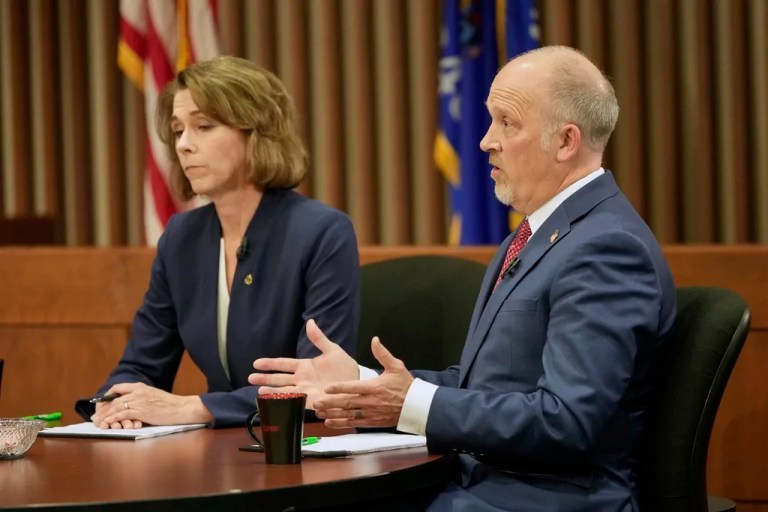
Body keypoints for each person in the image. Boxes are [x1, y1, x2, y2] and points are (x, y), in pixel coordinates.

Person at [248, 46, 676, 511]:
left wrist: (410, 404)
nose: (484, 140)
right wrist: (362, 383)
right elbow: (491, 387)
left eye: (506, 123)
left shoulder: (606, 248)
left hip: (545, 499)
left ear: (566, 141)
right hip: (479, 483)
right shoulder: (538, 233)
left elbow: (566, 420)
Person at [75, 56, 359, 429]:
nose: (184, 145)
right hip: (220, 453)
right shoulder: (181, 239)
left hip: (297, 449)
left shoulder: (322, 232)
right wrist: (116, 405)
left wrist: (195, 408)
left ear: (256, 133)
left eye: (204, 126)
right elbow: (141, 365)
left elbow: (317, 384)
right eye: (178, 131)